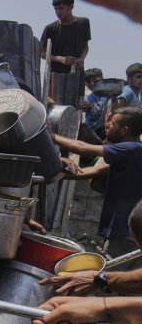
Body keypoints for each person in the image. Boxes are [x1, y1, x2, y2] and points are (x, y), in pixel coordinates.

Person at [52, 107, 142, 262]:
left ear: (125, 130)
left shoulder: (131, 149)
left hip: (125, 233)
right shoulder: (131, 153)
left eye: (113, 123)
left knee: (110, 280)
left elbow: (81, 148)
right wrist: (52, 172)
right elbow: (92, 172)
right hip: (125, 232)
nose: (107, 126)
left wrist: (50, 136)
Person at [40, 0, 90, 74]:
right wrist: (61, 59)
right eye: (55, 9)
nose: (57, 12)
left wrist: (81, 59)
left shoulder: (84, 23)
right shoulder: (50, 28)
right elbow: (42, 54)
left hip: (77, 74)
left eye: (61, 8)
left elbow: (86, 47)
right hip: (56, 76)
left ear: (71, 7)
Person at [80, 67, 112, 138]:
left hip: (105, 132)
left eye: (95, 80)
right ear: (85, 83)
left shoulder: (109, 95)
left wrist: (90, 106)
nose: (92, 83)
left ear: (102, 80)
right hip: (90, 133)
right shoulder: (87, 98)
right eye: (88, 81)